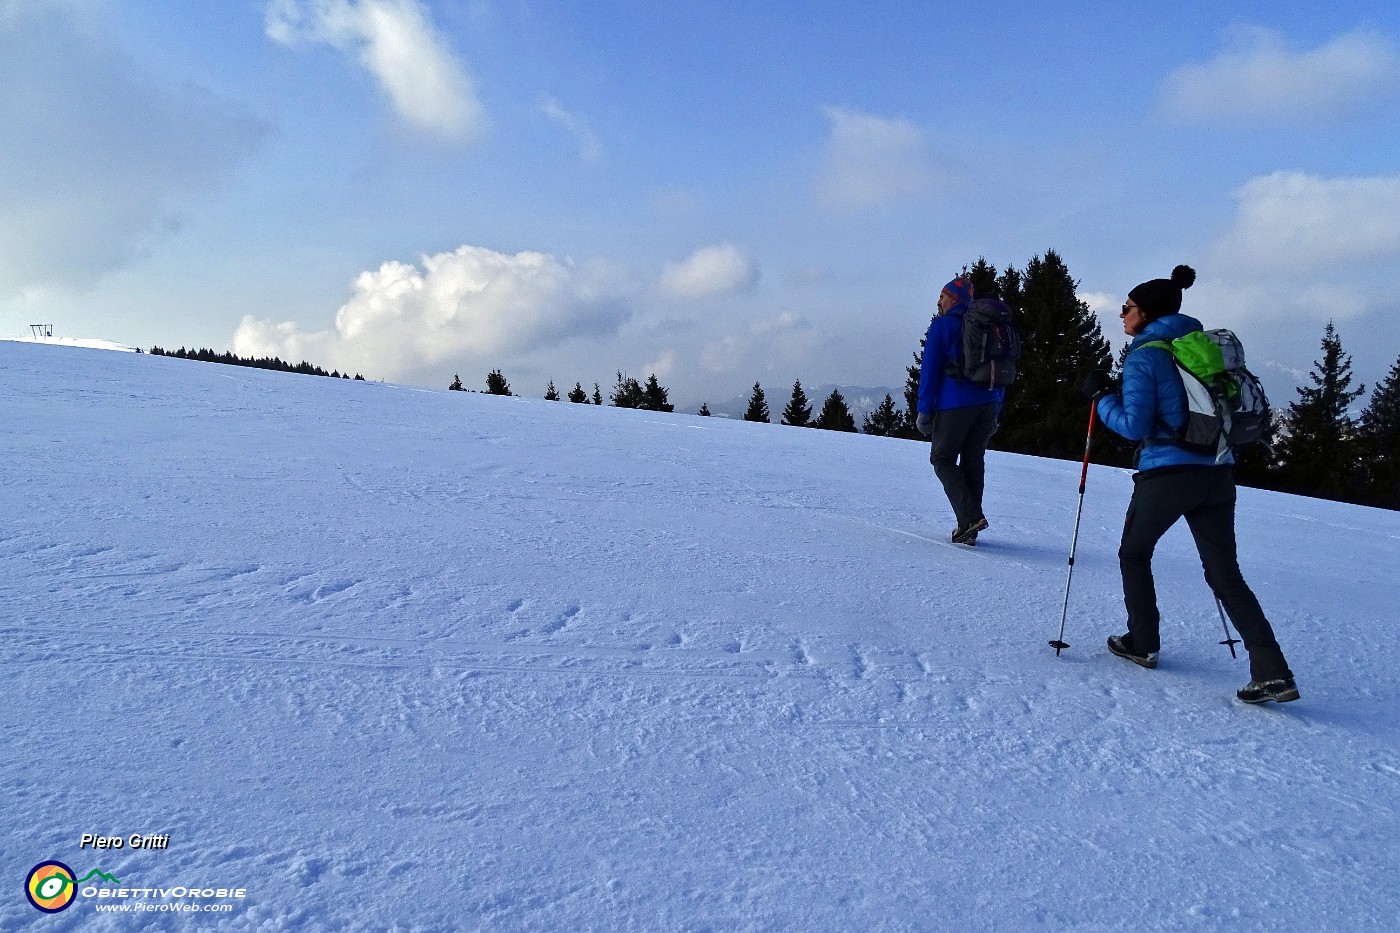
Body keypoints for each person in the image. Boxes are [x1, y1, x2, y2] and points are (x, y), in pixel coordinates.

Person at [1080, 265, 1299, 704]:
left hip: (1168, 473)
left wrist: (1101, 397)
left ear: (1145, 313)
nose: (1122, 315)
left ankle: (1143, 642)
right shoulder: (1199, 349)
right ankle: (1273, 671)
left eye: (1127, 308)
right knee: (1225, 574)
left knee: (1134, 552)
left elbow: (1134, 424)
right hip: (1218, 473)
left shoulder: (1145, 356)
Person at [916, 277, 1005, 545]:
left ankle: (969, 517)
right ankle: (970, 528)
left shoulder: (943, 326)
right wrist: (996, 406)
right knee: (973, 462)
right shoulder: (990, 328)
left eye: (942, 296)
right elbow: (1000, 370)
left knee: (942, 459)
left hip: (954, 405)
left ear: (953, 299)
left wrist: (924, 410)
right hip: (987, 404)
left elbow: (929, 370)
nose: (938, 302)